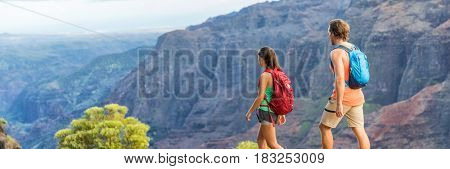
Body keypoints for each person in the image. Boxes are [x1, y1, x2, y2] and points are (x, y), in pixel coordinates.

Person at [319, 19, 371, 149]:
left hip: (344, 96)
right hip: (358, 95)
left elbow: (340, 79)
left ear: (334, 33)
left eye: (329, 32)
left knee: (324, 127)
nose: (328, 35)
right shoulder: (354, 48)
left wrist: (339, 104)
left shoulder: (336, 53)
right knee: (359, 130)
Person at [245, 47, 286, 149]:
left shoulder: (265, 75)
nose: (258, 61)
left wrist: (250, 111)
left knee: (272, 144)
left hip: (266, 111)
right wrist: (281, 113)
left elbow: (260, 97)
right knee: (260, 140)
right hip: (273, 111)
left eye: (259, 59)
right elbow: (280, 95)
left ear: (264, 59)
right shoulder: (278, 73)